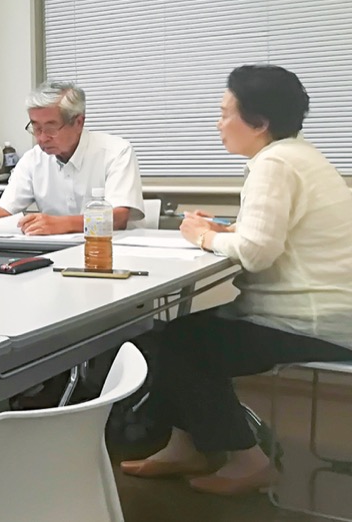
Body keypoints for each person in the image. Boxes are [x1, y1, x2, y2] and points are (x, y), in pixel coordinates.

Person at [120, 65, 352, 496]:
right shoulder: (299, 155)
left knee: (182, 343)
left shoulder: (274, 164)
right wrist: (227, 231)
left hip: (312, 321)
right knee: (177, 335)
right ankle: (184, 447)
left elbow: (257, 253)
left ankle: (249, 461)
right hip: (330, 313)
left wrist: (203, 236)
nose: (218, 123)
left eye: (226, 113)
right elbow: (274, 236)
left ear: (259, 122)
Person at [0, 81, 143, 235]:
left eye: (51, 128)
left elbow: (119, 218)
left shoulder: (116, 152)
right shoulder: (32, 159)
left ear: (78, 122)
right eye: (36, 128)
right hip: (54, 251)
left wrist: (62, 224)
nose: (42, 138)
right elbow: (4, 210)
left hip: (109, 250)